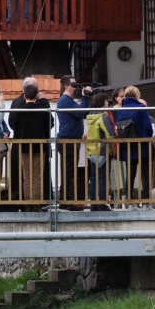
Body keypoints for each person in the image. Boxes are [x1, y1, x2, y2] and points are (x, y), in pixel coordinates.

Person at [9, 77, 53, 210]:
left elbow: (13, 125)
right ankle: (36, 203)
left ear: (24, 95)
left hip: (23, 147)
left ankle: (28, 202)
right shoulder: (42, 110)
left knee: (27, 176)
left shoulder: (19, 110)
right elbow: (50, 124)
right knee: (38, 176)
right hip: (40, 146)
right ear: (37, 95)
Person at [56, 76, 91, 210]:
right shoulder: (65, 100)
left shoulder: (68, 100)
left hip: (71, 140)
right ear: (66, 87)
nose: (76, 87)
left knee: (70, 171)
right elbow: (79, 113)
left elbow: (83, 113)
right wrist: (85, 97)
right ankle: (66, 201)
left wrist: (85, 99)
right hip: (67, 140)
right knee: (68, 172)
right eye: (73, 84)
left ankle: (67, 200)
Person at [116, 85, 153, 208]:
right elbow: (148, 126)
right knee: (146, 175)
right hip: (143, 145)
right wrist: (148, 136)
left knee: (130, 175)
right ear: (137, 95)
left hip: (128, 145)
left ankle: (130, 202)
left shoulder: (121, 110)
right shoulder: (140, 107)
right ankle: (146, 203)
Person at [85, 92, 113, 211]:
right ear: (102, 102)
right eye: (106, 101)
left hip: (91, 149)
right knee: (103, 177)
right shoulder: (103, 116)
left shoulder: (90, 115)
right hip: (102, 149)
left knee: (93, 177)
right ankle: (102, 203)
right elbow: (110, 133)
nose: (108, 103)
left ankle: (93, 204)